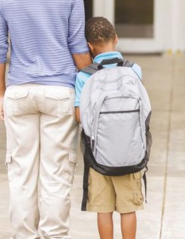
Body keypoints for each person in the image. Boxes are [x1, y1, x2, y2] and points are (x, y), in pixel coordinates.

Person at [0, 0, 92, 239]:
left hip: (19, 91)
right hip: (60, 92)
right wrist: (93, 80)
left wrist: (0, 94)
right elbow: (78, 47)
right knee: (56, 175)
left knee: (20, 175)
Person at [75, 17, 144, 239]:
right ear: (116, 39)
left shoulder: (85, 75)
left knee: (104, 210)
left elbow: (79, 116)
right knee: (128, 208)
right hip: (130, 153)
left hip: (99, 156)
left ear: (89, 46)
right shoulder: (134, 70)